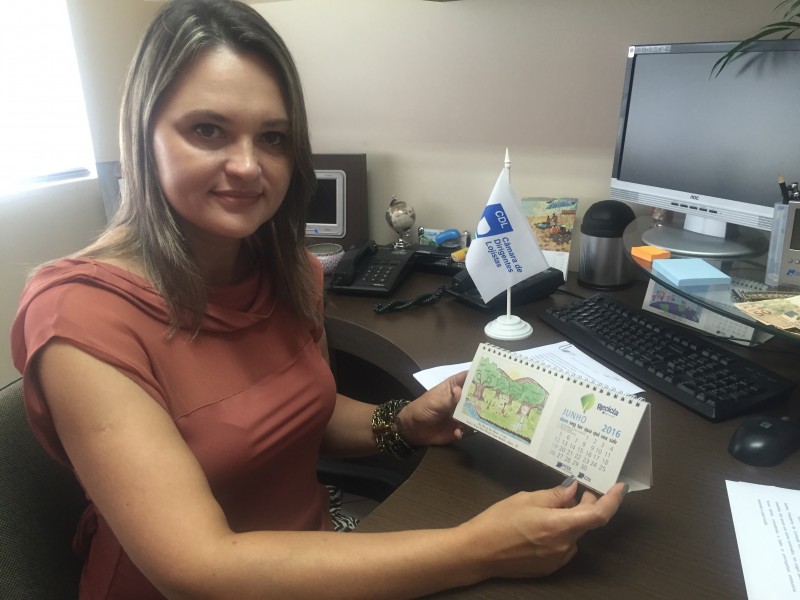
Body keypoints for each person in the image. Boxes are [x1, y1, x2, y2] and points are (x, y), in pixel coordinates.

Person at [10, 1, 628, 598]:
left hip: (317, 562)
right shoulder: (80, 315)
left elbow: (297, 414)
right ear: (144, 135)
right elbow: (199, 570)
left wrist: (403, 421)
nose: (248, 166)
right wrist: (481, 549)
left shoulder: (290, 273)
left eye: (273, 137)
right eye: (207, 130)